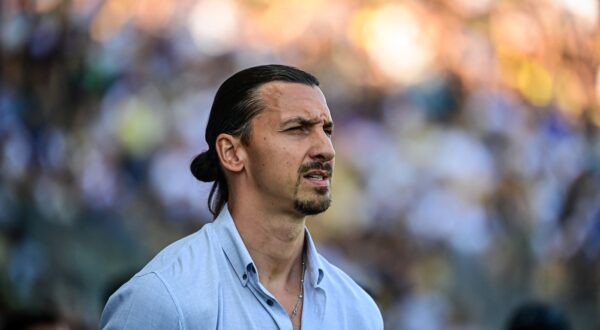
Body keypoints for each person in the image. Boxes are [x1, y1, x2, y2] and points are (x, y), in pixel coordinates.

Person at [100, 64, 383, 329]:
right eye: (297, 129)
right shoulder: (164, 298)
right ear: (232, 153)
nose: (327, 149)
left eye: (327, 130)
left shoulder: (358, 311)